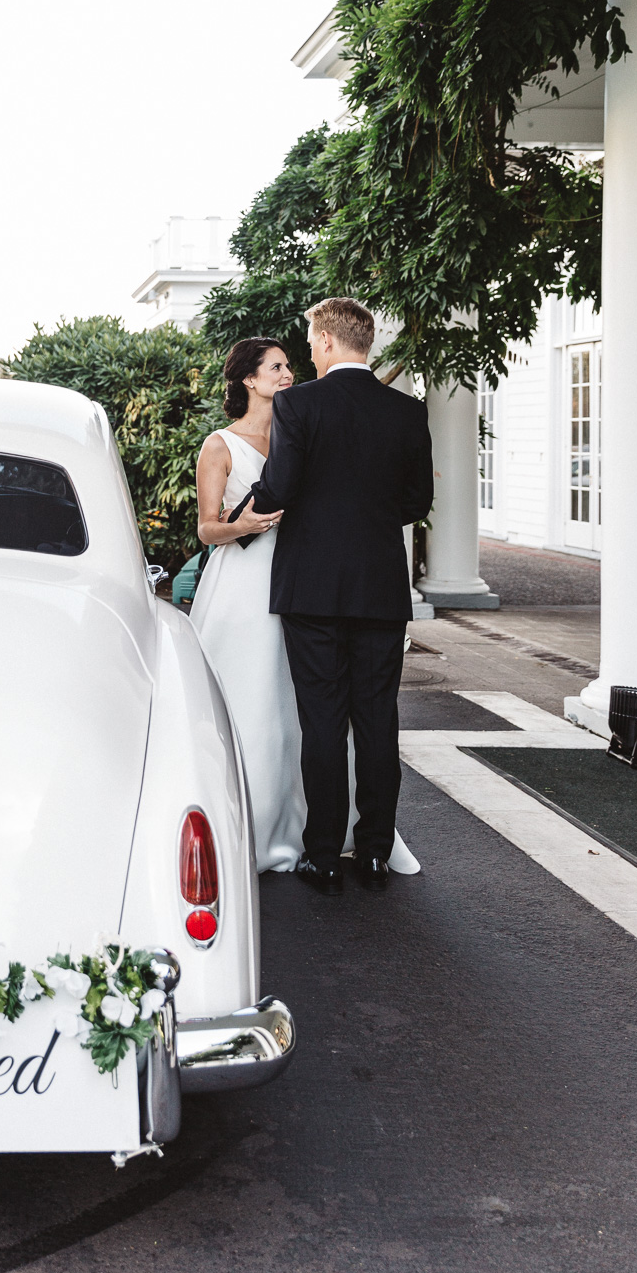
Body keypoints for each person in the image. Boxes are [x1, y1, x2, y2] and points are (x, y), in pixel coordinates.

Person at [191, 336, 420, 878]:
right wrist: (241, 525)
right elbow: (206, 529)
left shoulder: (310, 419)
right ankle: (262, 821)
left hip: (312, 582)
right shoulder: (221, 444)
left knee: (313, 716)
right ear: (249, 379)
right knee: (264, 705)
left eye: (291, 363)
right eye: (276, 366)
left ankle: (324, 840)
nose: (289, 373)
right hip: (253, 582)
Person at [252, 298, 434, 895]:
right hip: (380, 587)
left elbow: (278, 488)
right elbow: (415, 503)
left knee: (322, 721)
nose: (308, 351)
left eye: (311, 339)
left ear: (327, 340)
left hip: (312, 587)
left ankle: (324, 853)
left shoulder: (297, 403)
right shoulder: (407, 411)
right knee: (378, 719)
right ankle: (376, 851)